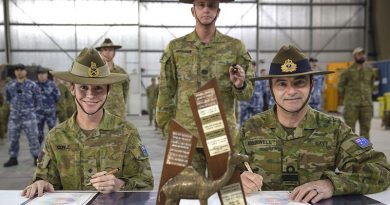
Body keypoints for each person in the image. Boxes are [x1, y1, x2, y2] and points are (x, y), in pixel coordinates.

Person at [239, 45, 390, 204]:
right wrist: (237, 182)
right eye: (282, 84)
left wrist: (331, 184)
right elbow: (220, 175)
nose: (291, 91)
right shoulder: (250, 129)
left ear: (312, 84)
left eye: (299, 82)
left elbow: (382, 170)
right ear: (271, 88)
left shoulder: (333, 129)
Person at [21, 48, 153, 198]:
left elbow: (145, 182)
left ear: (108, 91)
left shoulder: (127, 132)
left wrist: (119, 184)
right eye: (83, 87)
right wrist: (41, 183)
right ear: (72, 89)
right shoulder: (56, 136)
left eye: (98, 88)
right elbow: (45, 179)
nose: (90, 95)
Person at [156, 0, 254, 174]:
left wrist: (240, 85)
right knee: (186, 195)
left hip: (221, 134)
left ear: (218, 11)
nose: (206, 10)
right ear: (193, 11)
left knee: (227, 192)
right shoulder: (176, 47)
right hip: (185, 133)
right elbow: (165, 90)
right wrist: (165, 125)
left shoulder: (235, 47)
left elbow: (247, 94)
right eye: (201, 5)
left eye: (211, 5)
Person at [3, 64, 42, 167]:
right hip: (15, 118)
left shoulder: (32, 85)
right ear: (15, 72)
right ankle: (13, 158)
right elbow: (7, 99)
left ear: (25, 72)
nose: (19, 72)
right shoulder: (10, 85)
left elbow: (38, 100)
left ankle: (36, 158)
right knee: (12, 138)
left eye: (21, 70)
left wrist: (33, 113)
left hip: (29, 117)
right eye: (17, 70)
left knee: (33, 138)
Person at [338, 47, 375, 139]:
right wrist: (349, 97)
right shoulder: (347, 71)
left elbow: (372, 84)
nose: (361, 56)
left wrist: (368, 95)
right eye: (359, 54)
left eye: (362, 54)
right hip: (351, 105)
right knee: (350, 130)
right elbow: (340, 86)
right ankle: (352, 151)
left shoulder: (369, 70)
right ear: (354, 56)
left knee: (365, 130)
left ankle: (363, 150)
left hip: (366, 105)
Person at [96, 38, 130, 119]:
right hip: (100, 113)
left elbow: (125, 91)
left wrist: (120, 105)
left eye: (111, 50)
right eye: (105, 50)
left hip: (118, 113)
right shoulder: (95, 73)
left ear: (114, 53)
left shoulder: (121, 72)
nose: (107, 52)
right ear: (100, 52)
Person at [36, 67, 61, 145]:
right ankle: (37, 152)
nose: (42, 76)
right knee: (38, 132)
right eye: (40, 74)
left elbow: (58, 96)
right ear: (37, 75)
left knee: (52, 131)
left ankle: (52, 149)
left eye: (43, 74)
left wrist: (50, 103)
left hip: (50, 113)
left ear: (47, 75)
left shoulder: (52, 84)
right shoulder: (34, 85)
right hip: (38, 113)